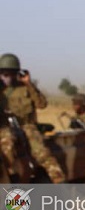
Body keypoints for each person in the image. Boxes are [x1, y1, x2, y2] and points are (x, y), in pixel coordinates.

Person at [0, 53, 65, 183]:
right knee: (7, 146)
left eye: (11, 74)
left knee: (43, 154)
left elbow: (42, 104)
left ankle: (61, 184)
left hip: (26, 127)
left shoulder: (25, 87)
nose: (8, 78)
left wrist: (29, 84)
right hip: (5, 128)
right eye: (4, 74)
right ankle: (12, 180)